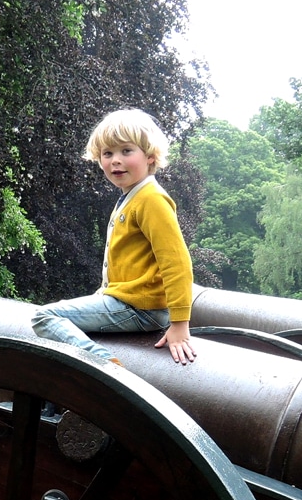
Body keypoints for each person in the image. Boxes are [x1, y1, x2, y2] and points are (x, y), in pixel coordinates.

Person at [32, 108, 194, 366]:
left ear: (150, 157)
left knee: (45, 317)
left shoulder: (151, 199)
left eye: (126, 151)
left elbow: (176, 262)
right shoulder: (131, 197)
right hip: (127, 301)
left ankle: (104, 365)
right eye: (107, 154)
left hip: (140, 308)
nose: (115, 160)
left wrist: (179, 324)